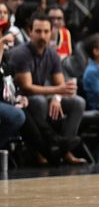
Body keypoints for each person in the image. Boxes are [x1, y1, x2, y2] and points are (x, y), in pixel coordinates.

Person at [10, 12, 86, 165]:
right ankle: (39, 151)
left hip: (43, 94)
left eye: (46, 31)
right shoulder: (21, 53)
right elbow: (28, 87)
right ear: (30, 31)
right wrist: (57, 91)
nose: (42, 35)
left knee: (77, 102)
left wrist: (57, 98)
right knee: (39, 101)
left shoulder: (52, 53)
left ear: (51, 32)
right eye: (38, 31)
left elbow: (61, 85)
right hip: (22, 98)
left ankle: (65, 149)